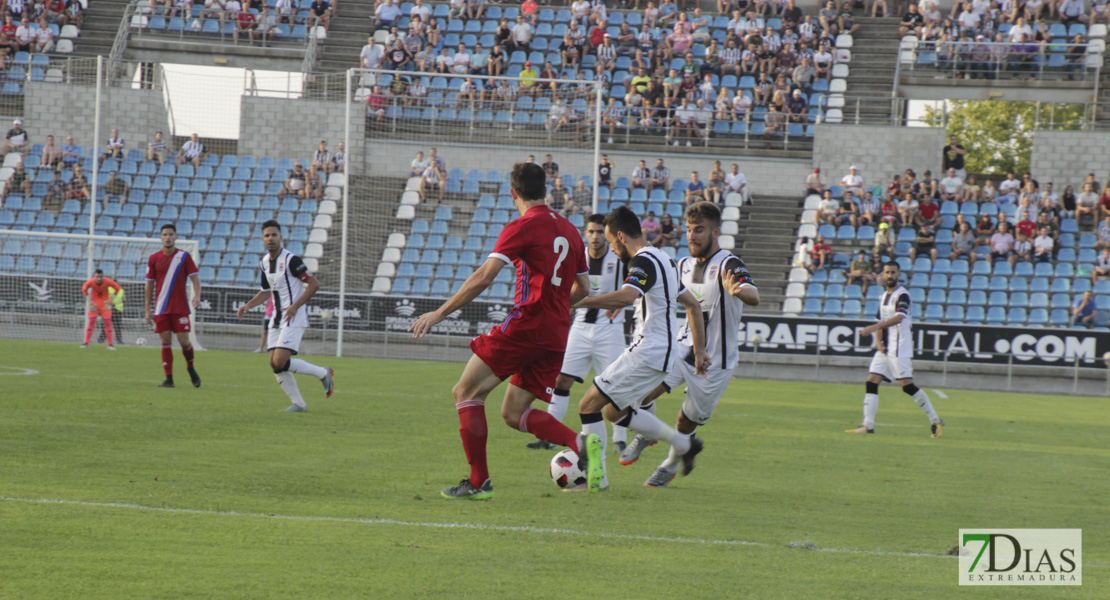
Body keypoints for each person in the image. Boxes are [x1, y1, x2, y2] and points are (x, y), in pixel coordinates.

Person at [409, 162, 591, 500]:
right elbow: (584, 288)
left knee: (465, 392)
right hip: (556, 334)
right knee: (512, 413)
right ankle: (576, 441)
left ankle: (479, 483)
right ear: (546, 192)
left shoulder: (521, 226)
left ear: (513, 194)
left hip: (525, 326)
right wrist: (558, 310)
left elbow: (484, 277)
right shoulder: (570, 230)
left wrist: (439, 313)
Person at [618, 202, 758, 487]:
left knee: (686, 422)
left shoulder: (729, 263)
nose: (692, 236)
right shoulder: (681, 265)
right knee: (640, 392)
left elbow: (754, 294)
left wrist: (741, 291)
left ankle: (669, 465)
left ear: (715, 232)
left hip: (716, 361)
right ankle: (647, 433)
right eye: (690, 230)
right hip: (683, 347)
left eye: (700, 231)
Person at [571, 206, 709, 492]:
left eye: (610, 242)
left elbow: (626, 296)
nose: (610, 249)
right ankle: (683, 443)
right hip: (663, 353)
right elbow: (693, 305)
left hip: (648, 350)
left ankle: (597, 480)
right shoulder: (665, 260)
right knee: (611, 412)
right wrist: (700, 351)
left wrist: (577, 302)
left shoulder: (642, 261)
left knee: (587, 405)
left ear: (621, 236)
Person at [527, 214, 629, 453]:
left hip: (609, 331)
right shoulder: (577, 255)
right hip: (581, 328)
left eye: (599, 232)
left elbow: (635, 287)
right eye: (591, 232)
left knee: (614, 385)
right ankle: (549, 435)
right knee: (561, 380)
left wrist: (624, 305)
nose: (595, 236)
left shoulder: (619, 256)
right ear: (585, 233)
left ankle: (620, 439)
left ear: (607, 233)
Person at [236, 221, 334, 412]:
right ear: (262, 239)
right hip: (276, 317)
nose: (270, 238)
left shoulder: (291, 260)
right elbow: (266, 291)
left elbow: (314, 284)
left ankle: (323, 373)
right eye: (267, 236)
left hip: (293, 316)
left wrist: (295, 306)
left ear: (281, 237)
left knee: (280, 361)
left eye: (274, 235)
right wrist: (248, 305)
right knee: (274, 364)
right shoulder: (264, 262)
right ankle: (299, 404)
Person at [847, 261, 944, 437]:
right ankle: (867, 425)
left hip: (900, 347)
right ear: (883, 275)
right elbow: (880, 320)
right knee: (871, 382)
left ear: (898, 275)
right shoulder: (883, 296)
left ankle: (935, 420)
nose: (890, 276)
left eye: (893, 272)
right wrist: (878, 340)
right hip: (885, 348)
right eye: (887, 272)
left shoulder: (903, 295)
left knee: (907, 387)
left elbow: (899, 317)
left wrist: (872, 329)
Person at [144, 224, 202, 389]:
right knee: (165, 341)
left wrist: (197, 295)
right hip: (161, 308)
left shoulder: (184, 257)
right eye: (165, 234)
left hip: (180, 308)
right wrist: (147, 309)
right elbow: (149, 285)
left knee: (184, 342)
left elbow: (195, 279)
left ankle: (190, 367)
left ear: (176, 237)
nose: (168, 237)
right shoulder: (154, 258)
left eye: (170, 234)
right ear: (161, 238)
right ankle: (169, 379)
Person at [81, 269, 122, 350]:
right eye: (97, 277)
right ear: (94, 277)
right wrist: (90, 300)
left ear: (103, 277)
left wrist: (111, 300)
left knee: (107, 323)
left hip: (105, 304)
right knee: (91, 322)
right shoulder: (90, 282)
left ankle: (110, 345)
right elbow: (84, 289)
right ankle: (86, 343)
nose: (99, 278)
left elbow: (118, 288)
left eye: (100, 277)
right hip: (94, 304)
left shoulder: (107, 281)